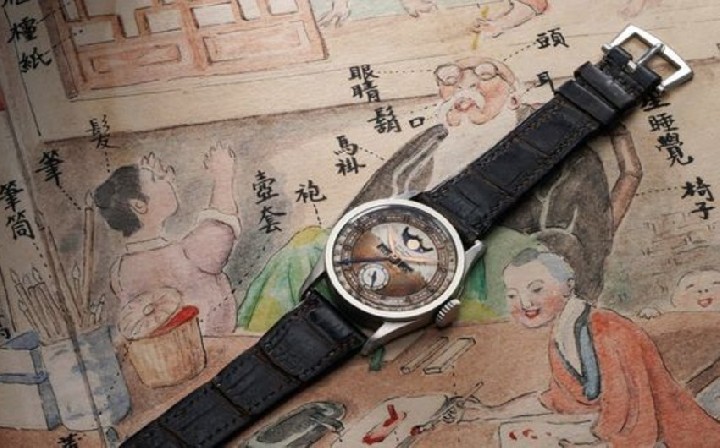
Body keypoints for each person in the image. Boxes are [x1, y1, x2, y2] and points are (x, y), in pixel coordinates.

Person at [453, 248, 720, 447]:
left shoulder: (609, 330)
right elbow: (559, 399)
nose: (525, 303)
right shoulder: (562, 333)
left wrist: (581, 437)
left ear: (568, 286)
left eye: (536, 290)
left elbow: (632, 414)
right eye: (513, 295)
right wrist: (492, 412)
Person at [95, 145, 241, 336]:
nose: (168, 179)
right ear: (139, 205)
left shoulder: (119, 270)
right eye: (156, 179)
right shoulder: (185, 254)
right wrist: (223, 176)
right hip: (210, 344)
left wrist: (157, 185)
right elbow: (220, 225)